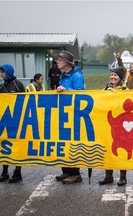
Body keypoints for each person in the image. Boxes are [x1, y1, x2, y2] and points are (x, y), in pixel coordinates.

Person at [55, 50, 85, 184]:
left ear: (67, 63)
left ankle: (75, 173)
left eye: (59, 60)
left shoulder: (76, 76)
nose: (57, 62)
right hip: (63, 113)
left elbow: (81, 94)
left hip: (73, 114)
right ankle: (66, 170)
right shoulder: (63, 75)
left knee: (72, 143)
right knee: (63, 142)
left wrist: (66, 91)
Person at [0, 64, 25, 183]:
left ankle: (18, 172)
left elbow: (26, 101)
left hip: (17, 120)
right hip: (5, 121)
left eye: (2, 72)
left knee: (17, 146)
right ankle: (5, 171)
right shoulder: (1, 87)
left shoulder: (18, 85)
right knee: (4, 146)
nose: (1, 74)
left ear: (8, 72)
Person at [99, 67, 128, 186]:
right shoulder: (105, 88)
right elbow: (99, 101)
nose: (113, 77)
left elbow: (130, 102)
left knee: (121, 150)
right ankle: (108, 176)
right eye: (111, 75)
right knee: (107, 149)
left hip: (121, 124)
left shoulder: (126, 89)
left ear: (120, 77)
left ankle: (122, 177)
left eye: (115, 75)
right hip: (108, 123)